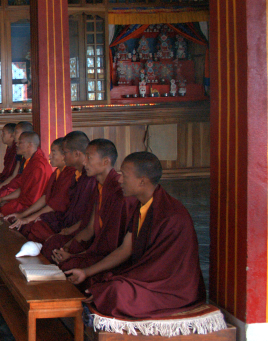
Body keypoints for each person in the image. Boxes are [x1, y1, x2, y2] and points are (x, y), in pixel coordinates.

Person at [65, 152, 206, 319]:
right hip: (146, 276)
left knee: (116, 291)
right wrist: (86, 272)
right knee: (99, 280)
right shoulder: (143, 206)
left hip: (171, 289)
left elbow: (160, 270)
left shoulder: (172, 216)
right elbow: (126, 249)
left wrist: (118, 280)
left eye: (124, 175)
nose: (119, 180)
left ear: (142, 181)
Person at [51, 139, 134, 277]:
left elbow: (111, 245)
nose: (84, 162)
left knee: (68, 266)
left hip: (109, 257)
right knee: (56, 251)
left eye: (89, 158)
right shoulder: (99, 187)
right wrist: (66, 248)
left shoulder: (120, 194)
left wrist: (73, 255)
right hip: (96, 249)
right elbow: (90, 228)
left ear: (105, 162)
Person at [38, 132, 99, 252]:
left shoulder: (91, 180)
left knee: (52, 245)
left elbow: (88, 221)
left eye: (65, 152)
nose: (63, 156)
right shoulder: (78, 176)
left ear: (76, 154)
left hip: (81, 231)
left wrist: (68, 232)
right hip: (70, 223)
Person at [7, 137, 75, 242]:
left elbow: (55, 205)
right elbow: (45, 197)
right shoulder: (56, 174)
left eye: (53, 153)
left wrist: (28, 218)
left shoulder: (71, 175)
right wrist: (23, 215)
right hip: (51, 215)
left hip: (62, 220)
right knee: (20, 222)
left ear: (64, 156)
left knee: (32, 227)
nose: (49, 156)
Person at [0, 131, 52, 217]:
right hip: (24, 202)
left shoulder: (39, 166)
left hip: (31, 208)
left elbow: (33, 200)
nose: (16, 145)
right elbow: (23, 189)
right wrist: (4, 199)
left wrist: (9, 205)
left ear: (29, 145)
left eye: (20, 142)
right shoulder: (30, 161)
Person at [0, 121, 33, 194]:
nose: (14, 135)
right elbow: (14, 175)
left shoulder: (36, 160)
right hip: (15, 185)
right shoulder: (19, 151)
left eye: (16, 132)